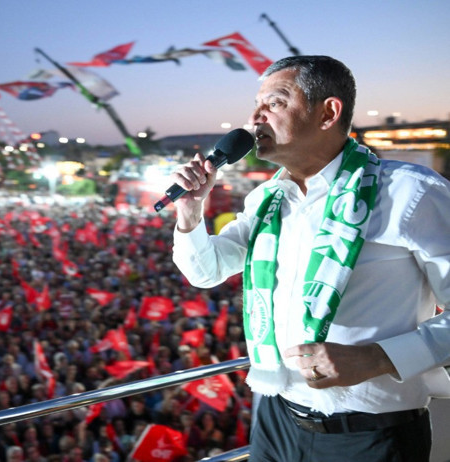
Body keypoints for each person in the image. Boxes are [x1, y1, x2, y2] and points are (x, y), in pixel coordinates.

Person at [170, 55, 450, 461]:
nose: (255, 116)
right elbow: (206, 271)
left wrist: (379, 358)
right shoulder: (266, 200)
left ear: (328, 113)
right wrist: (191, 213)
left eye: (276, 102)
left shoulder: (410, 193)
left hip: (370, 435)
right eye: (256, 103)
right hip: (274, 419)